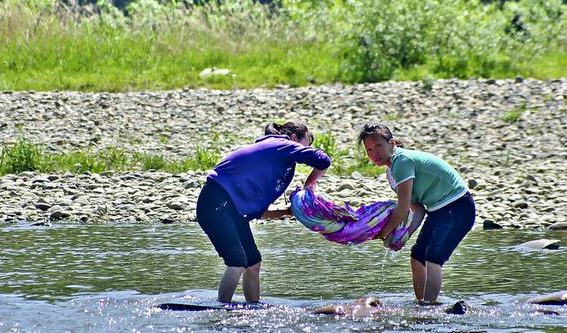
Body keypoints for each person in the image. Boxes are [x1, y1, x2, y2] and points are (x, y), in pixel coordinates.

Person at [196, 121, 331, 303]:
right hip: (214, 203)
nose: (308, 148)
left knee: (253, 263)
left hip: (233, 211)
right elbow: (323, 160)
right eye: (307, 143)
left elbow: (260, 213)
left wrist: (290, 211)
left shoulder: (278, 163)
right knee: (237, 263)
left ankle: (253, 307)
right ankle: (222, 311)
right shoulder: (280, 145)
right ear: (293, 139)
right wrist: (309, 186)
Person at [357, 123, 475, 303]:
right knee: (417, 257)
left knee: (433, 259)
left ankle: (428, 310)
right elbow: (417, 209)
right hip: (437, 211)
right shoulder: (391, 173)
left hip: (458, 207)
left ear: (392, 143)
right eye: (369, 149)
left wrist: (384, 232)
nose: (374, 153)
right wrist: (403, 236)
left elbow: (402, 208)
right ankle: (421, 304)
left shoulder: (402, 161)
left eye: (379, 146)